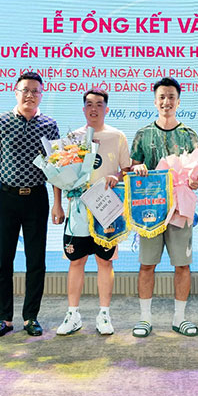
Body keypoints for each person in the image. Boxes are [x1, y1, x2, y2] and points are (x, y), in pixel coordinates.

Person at [0, 72, 61, 338]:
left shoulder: (49, 125)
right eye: (25, 90)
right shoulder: (0, 122)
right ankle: (5, 319)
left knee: (36, 261)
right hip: (7, 198)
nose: (30, 95)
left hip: (37, 198)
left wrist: (57, 203)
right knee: (3, 260)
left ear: (41, 94)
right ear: (16, 92)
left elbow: (57, 166)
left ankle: (31, 317)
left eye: (35, 91)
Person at [129, 77, 198, 338]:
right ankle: (145, 319)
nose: (166, 102)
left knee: (182, 265)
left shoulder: (189, 135)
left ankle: (179, 319)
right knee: (147, 265)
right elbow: (131, 169)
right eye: (162, 97)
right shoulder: (143, 134)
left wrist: (196, 181)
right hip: (149, 210)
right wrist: (137, 168)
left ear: (178, 101)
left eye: (171, 97)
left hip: (180, 210)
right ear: (155, 101)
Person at [53, 89, 131, 336]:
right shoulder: (72, 138)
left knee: (104, 261)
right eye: (88, 104)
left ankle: (104, 315)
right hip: (77, 208)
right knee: (76, 261)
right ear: (83, 109)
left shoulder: (117, 136)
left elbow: (127, 169)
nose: (93, 108)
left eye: (99, 104)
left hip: (106, 207)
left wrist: (116, 176)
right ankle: (72, 315)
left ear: (106, 109)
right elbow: (57, 173)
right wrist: (57, 204)